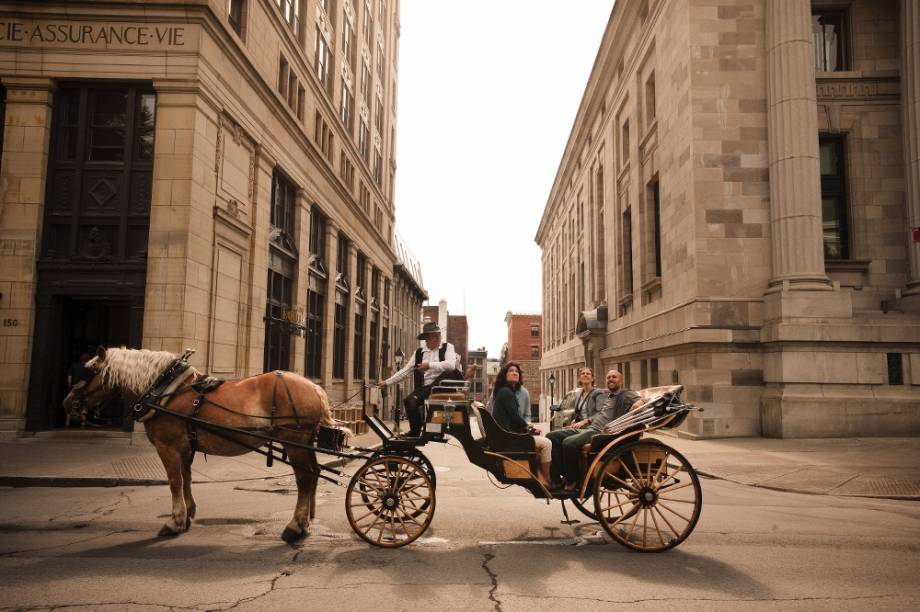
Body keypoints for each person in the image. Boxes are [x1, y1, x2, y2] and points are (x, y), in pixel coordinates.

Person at [546, 369, 640, 489]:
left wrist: (640, 402)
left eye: (614, 377)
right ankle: (556, 479)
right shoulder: (609, 395)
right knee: (551, 436)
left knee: (568, 443)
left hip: (602, 432)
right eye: (608, 377)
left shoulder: (625, 394)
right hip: (591, 428)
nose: (610, 379)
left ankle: (573, 479)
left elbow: (645, 400)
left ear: (621, 381)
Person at [377, 322, 463, 437]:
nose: (438, 338)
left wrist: (429, 365)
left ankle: (424, 401)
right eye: (434, 336)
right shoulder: (418, 353)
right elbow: (405, 371)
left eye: (438, 335)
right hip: (427, 388)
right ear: (426, 338)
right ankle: (415, 432)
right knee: (409, 401)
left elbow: (450, 365)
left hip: (445, 387)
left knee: (447, 374)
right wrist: (386, 383)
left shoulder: (448, 347)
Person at [490, 362, 553, 488]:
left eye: (517, 372)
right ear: (504, 375)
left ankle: (539, 475)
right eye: (511, 371)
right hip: (509, 439)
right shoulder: (506, 392)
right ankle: (547, 480)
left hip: (507, 435)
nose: (515, 373)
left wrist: (528, 429)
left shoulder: (505, 391)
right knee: (547, 444)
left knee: (541, 443)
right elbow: (515, 417)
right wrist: (529, 428)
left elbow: (515, 418)